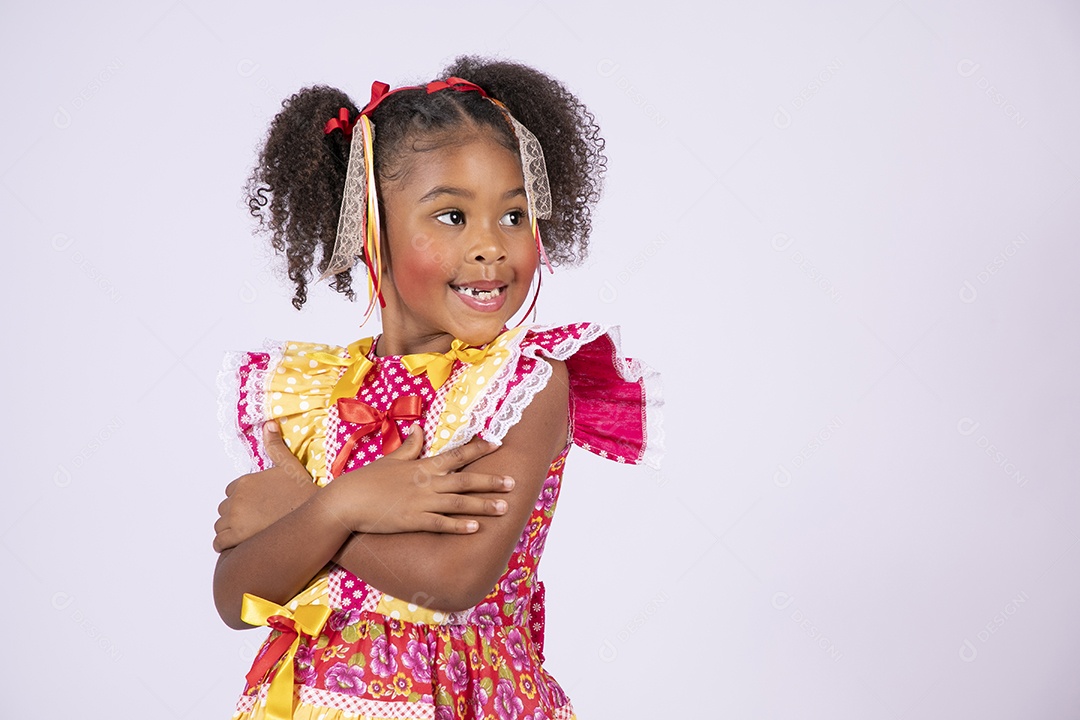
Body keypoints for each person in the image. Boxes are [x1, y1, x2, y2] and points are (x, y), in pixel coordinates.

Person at [214, 56, 663, 720]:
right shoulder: (309, 393)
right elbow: (238, 597)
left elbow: (454, 581)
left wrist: (323, 509)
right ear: (372, 229)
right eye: (452, 217)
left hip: (461, 700)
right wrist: (331, 509)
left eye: (514, 216)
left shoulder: (524, 386)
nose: (492, 246)